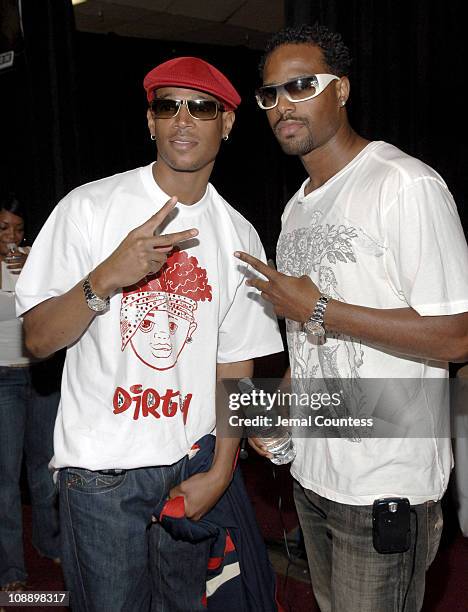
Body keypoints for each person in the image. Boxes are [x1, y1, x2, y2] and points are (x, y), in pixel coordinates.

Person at [15, 57, 283, 611]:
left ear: (227, 123)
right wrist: (106, 277)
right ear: (150, 122)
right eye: (168, 105)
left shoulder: (240, 234)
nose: (183, 119)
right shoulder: (89, 208)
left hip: (191, 466)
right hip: (102, 474)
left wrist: (221, 471)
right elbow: (37, 338)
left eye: (201, 107)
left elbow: (236, 366)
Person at [235, 23, 468, 612]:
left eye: (301, 86)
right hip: (314, 477)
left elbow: (459, 334)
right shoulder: (296, 210)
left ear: (341, 90)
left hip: (385, 483)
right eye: (271, 94)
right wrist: (277, 413)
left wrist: (318, 306)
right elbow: (307, 340)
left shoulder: (404, 184)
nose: (283, 104)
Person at [0, 194, 60, 596]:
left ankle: (48, 539)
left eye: (19, 229)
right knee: (6, 478)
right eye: (4, 228)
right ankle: (9, 569)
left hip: (39, 377)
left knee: (44, 470)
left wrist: (37, 269)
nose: (13, 237)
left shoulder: (37, 257)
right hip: (3, 380)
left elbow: (59, 307)